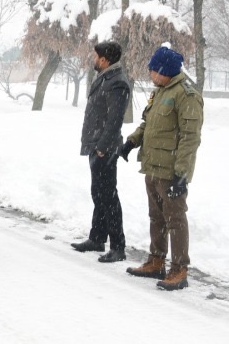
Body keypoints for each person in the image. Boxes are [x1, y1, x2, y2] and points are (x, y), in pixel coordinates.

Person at [121, 45, 203, 291]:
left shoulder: (186, 95)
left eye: (153, 69)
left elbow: (190, 138)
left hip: (171, 172)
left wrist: (182, 174)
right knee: (156, 217)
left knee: (175, 219)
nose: (150, 73)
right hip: (153, 167)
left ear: (164, 70)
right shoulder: (160, 92)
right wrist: (132, 141)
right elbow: (149, 125)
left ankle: (179, 270)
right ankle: (156, 261)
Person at [73, 41, 132, 262]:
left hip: (104, 149)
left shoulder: (117, 83)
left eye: (95, 56)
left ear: (104, 60)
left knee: (109, 197)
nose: (93, 59)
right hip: (96, 146)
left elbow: (115, 120)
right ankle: (97, 238)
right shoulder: (106, 78)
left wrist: (102, 147)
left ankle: (118, 247)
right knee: (98, 194)